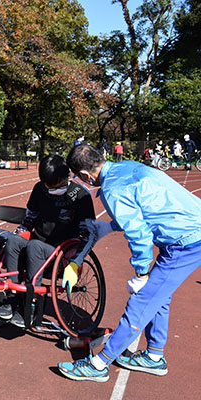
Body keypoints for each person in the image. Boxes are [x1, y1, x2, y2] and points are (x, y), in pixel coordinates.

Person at [58, 144, 201, 382]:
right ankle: (154, 356)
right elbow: (144, 210)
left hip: (185, 242)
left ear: (84, 175)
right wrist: (110, 226)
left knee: (142, 300)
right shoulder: (127, 167)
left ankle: (99, 364)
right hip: (188, 231)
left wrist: (142, 273)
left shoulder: (113, 189)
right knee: (159, 296)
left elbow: (139, 233)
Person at [0, 154, 98, 327]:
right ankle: (11, 298)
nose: (49, 188)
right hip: (37, 243)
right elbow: (29, 219)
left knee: (35, 246)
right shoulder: (39, 189)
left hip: (61, 254)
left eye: (53, 185)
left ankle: (31, 304)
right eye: (46, 184)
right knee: (13, 241)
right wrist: (20, 233)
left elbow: (88, 235)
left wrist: (74, 262)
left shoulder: (81, 196)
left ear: (66, 177)